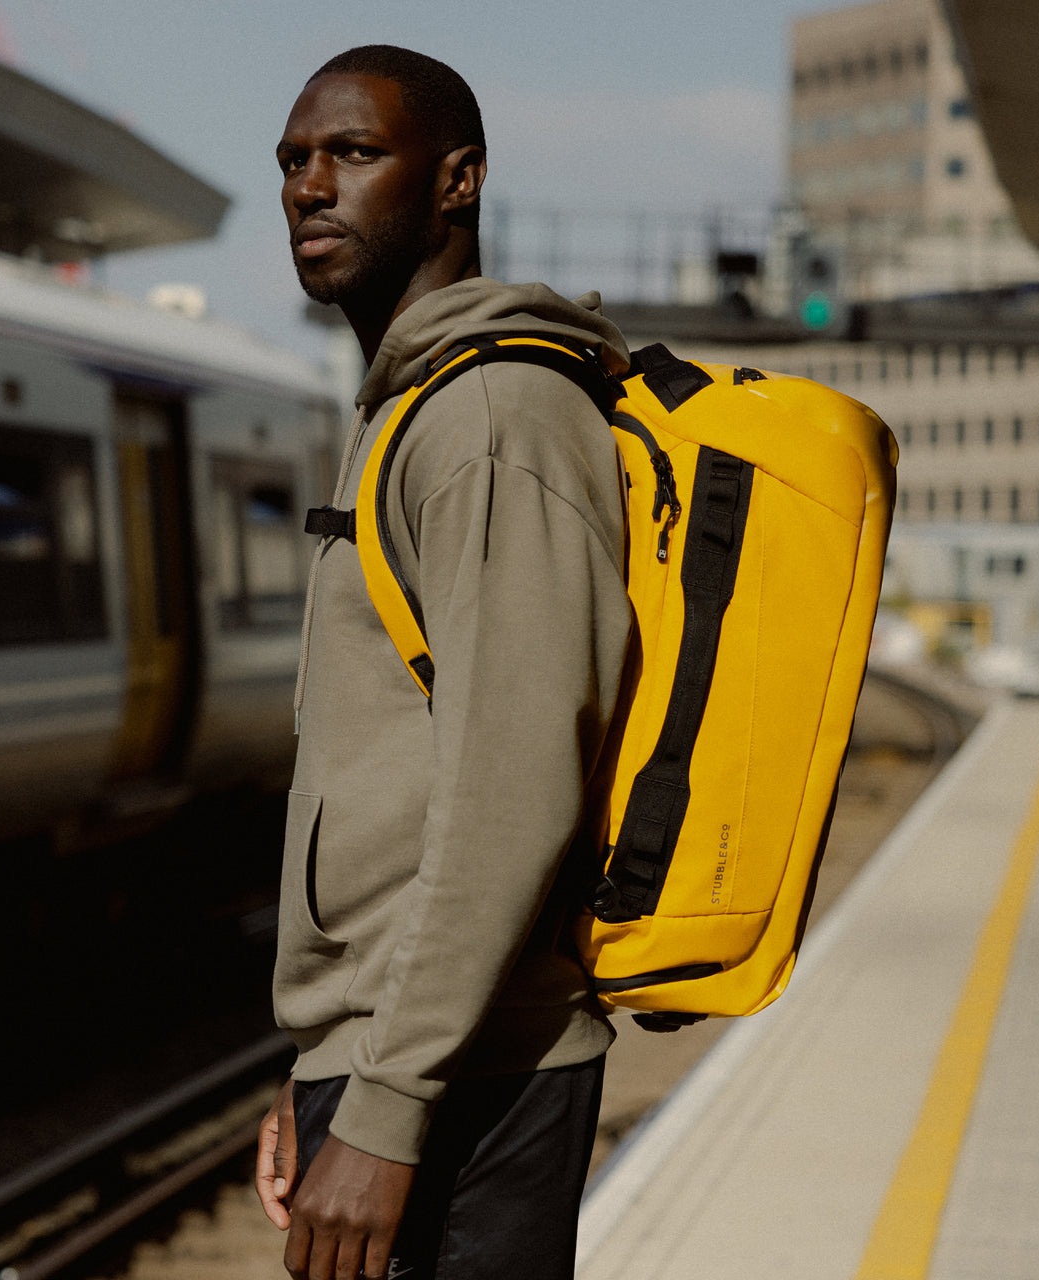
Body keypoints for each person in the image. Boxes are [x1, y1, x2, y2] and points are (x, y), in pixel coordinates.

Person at [255, 45, 632, 1280]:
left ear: (456, 179)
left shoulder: (488, 418)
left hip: (470, 1073)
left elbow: (511, 786)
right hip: (402, 1049)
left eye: (353, 154)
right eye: (294, 161)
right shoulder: (406, 406)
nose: (311, 186)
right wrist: (325, 1058)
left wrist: (382, 1100)